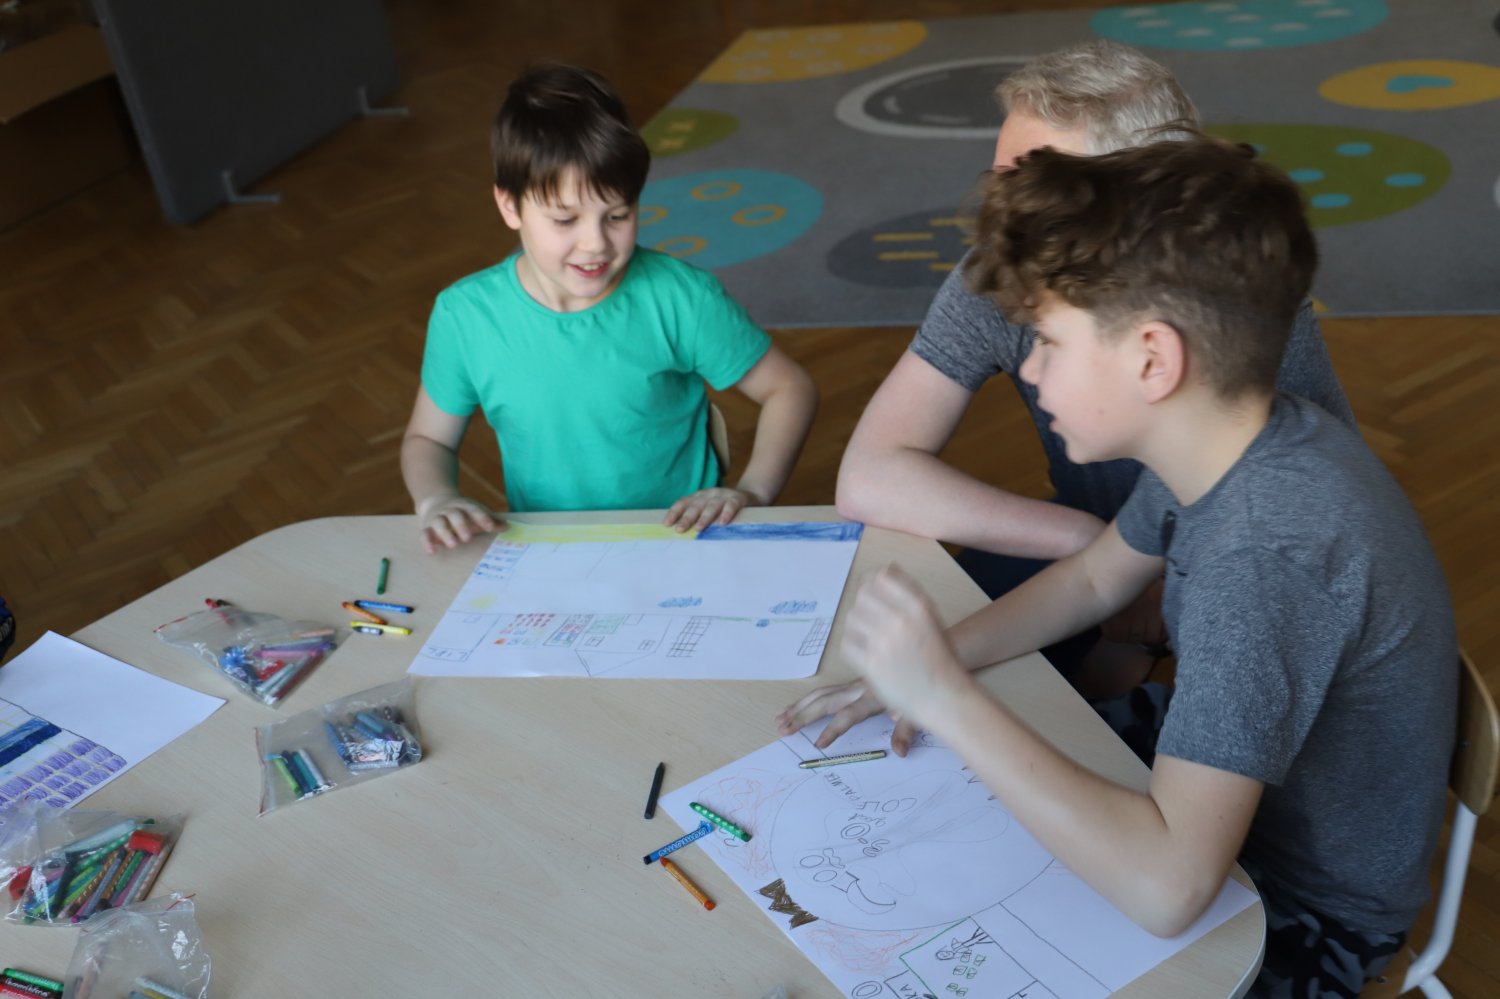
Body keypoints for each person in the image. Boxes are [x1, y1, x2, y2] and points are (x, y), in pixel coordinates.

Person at [826, 136, 1457, 997]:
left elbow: (1168, 890)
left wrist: (945, 696)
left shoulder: (1263, 557)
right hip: (1209, 791)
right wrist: (934, 666)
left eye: (1048, 341)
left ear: (1154, 361)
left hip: (1302, 906)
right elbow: (1096, 577)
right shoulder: (1225, 440)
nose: (1030, 369)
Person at [827, 39, 1355, 705]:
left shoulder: (1238, 305)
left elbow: (1300, 538)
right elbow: (869, 476)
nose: (1001, 220)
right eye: (998, 180)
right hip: (1103, 556)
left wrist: (1141, 593)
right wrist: (1099, 546)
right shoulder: (1002, 265)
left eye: (1035, 190)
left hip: (1239, 574)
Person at [402, 62, 817, 553]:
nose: (595, 244)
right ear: (510, 206)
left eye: (617, 215)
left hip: (680, 542)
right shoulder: (465, 317)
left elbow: (790, 388)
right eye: (565, 220)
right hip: (554, 551)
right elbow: (429, 440)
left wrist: (753, 492)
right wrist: (437, 499)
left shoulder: (681, 297)